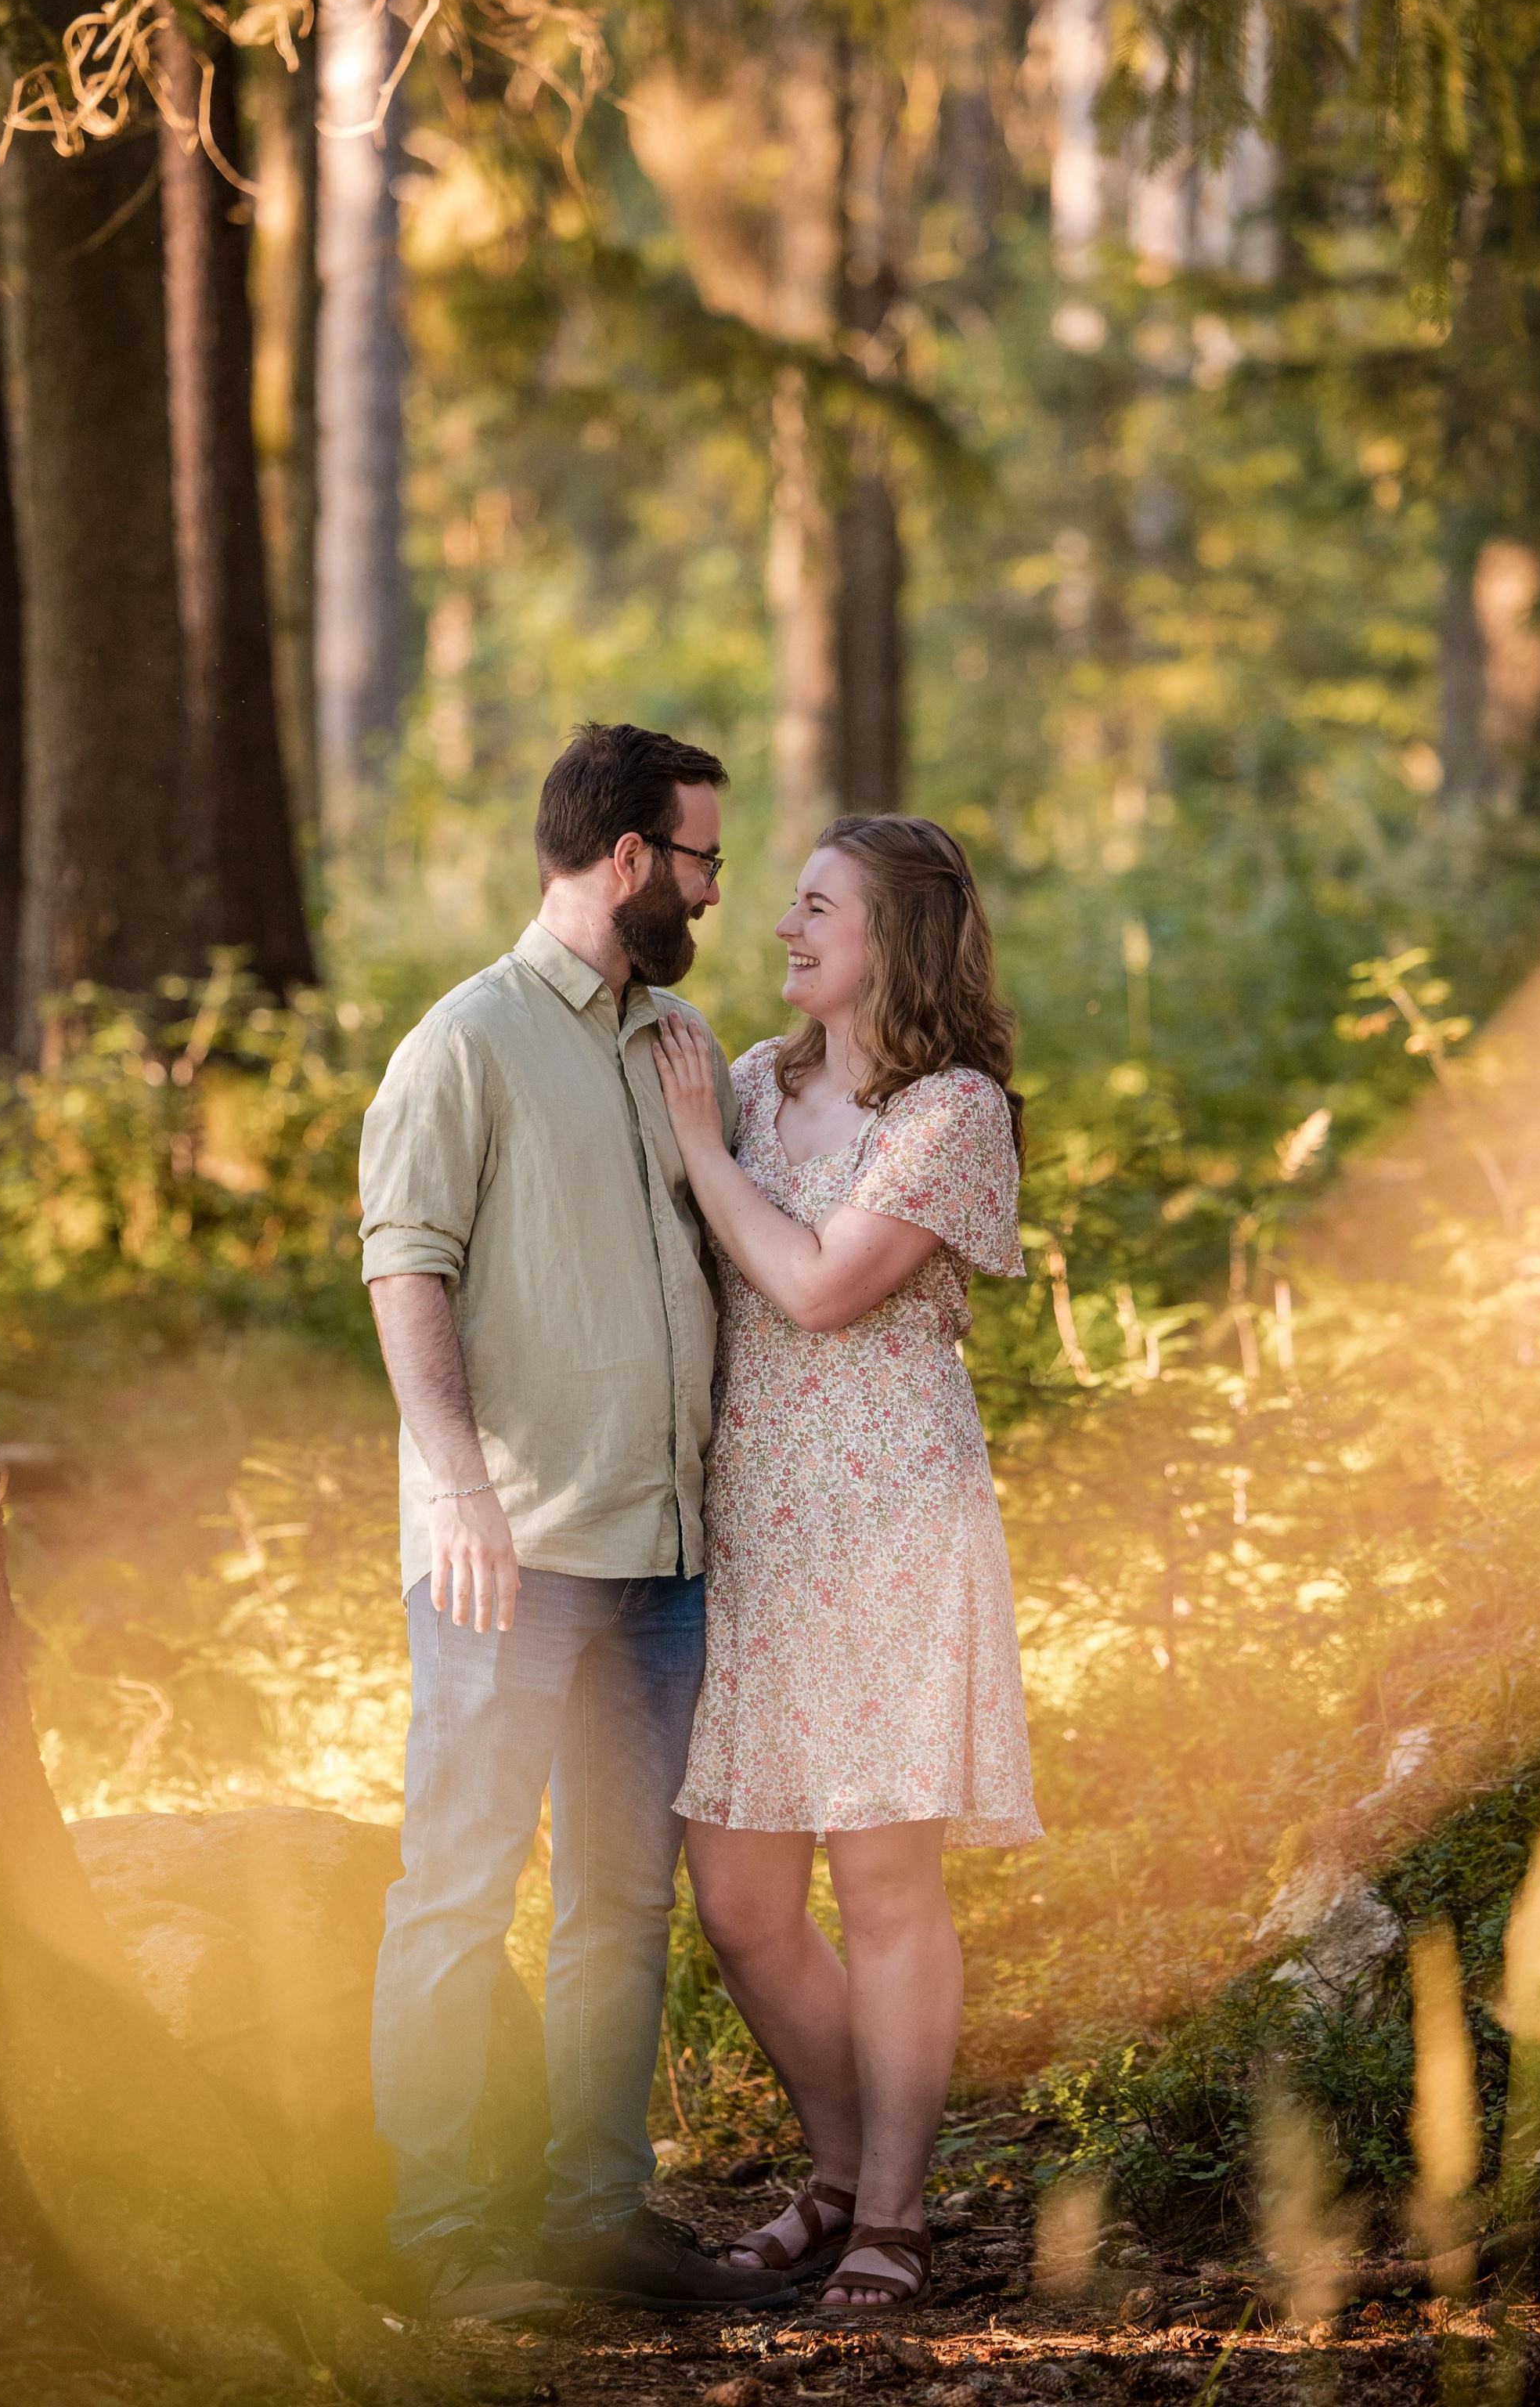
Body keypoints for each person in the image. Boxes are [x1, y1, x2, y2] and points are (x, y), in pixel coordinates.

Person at [358, 724, 790, 2322]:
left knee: (622, 1900)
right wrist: (461, 1491)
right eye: (702, 858)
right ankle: (446, 2235)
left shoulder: (679, 1035)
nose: (714, 887)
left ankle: (596, 2219)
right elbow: (406, 1266)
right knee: (462, 1885)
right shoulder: (461, 1044)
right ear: (629, 864)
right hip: (511, 1554)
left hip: (661, 1562)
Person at [652, 813, 1042, 2315]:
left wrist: (698, 1152)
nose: (784, 930)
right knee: (742, 1900)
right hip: (753, 1523)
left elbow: (816, 1288)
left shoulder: (953, 1113)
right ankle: (833, 2174)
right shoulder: (752, 1080)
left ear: (899, 936)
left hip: (890, 1519)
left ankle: (893, 2214)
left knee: (884, 1883)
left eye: (819, 908)